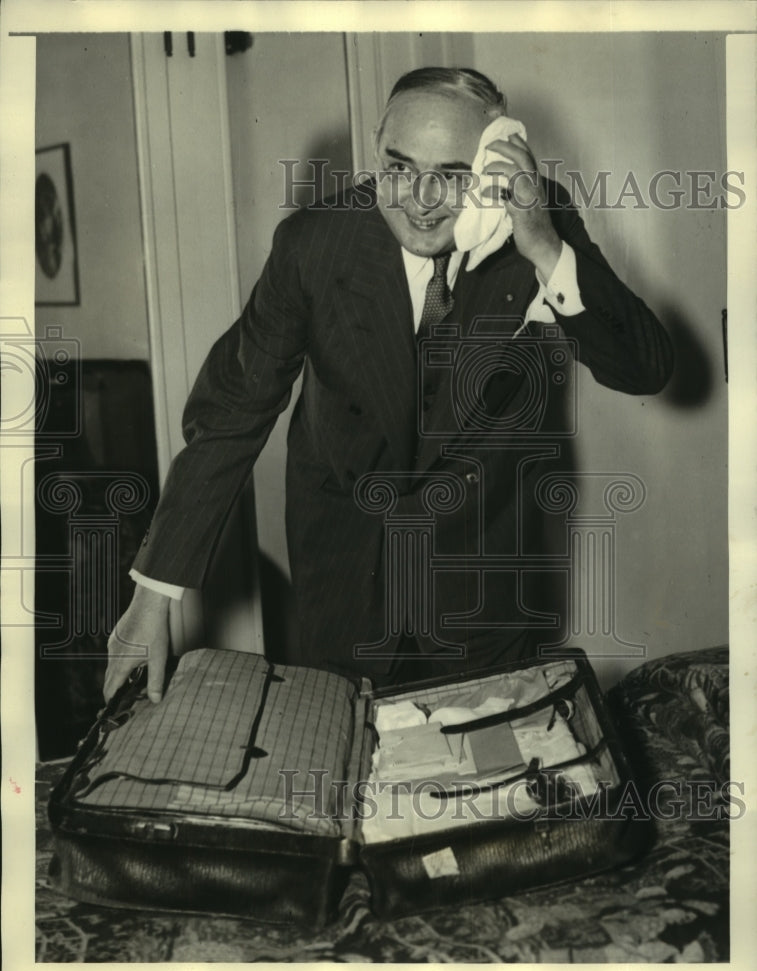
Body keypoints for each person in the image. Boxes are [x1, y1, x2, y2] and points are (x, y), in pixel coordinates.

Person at [104, 67, 673, 704]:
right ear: (375, 148)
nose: (421, 199)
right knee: (348, 774)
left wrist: (543, 246)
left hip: (480, 574)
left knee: (481, 782)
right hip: (344, 570)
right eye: (398, 167)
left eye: (454, 176)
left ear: (494, 162)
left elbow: (644, 368)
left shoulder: (537, 222)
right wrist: (151, 597)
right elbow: (233, 411)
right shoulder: (313, 246)